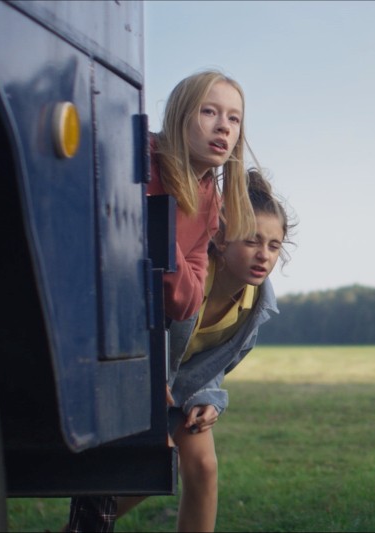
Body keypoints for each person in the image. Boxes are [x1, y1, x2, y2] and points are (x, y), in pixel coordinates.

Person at [66, 69, 256, 533]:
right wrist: (159, 228)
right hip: (94, 325)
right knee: (129, 454)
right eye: (209, 111)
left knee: (160, 458)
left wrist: (157, 230)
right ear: (179, 116)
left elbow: (184, 300)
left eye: (233, 118)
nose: (223, 127)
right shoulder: (143, 161)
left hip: (147, 339)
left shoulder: (210, 200)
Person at [114, 168, 293, 532]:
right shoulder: (191, 274)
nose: (263, 255)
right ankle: (82, 525)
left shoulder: (256, 303)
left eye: (274, 246)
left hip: (179, 395)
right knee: (158, 461)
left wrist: (210, 399)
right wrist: (147, 382)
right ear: (222, 238)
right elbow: (139, 323)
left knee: (204, 467)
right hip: (138, 383)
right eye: (251, 241)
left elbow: (215, 365)